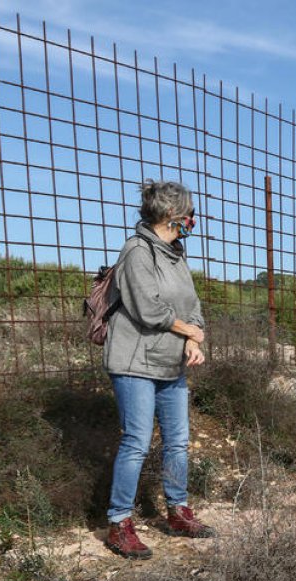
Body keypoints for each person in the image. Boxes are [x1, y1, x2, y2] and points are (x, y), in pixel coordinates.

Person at [103, 180, 213, 560]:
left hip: (170, 363)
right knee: (136, 441)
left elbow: (192, 304)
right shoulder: (137, 251)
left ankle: (177, 512)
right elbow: (147, 309)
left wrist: (193, 339)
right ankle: (119, 524)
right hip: (134, 361)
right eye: (190, 215)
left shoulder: (175, 254)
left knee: (177, 440)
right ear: (172, 216)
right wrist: (187, 329)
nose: (193, 220)